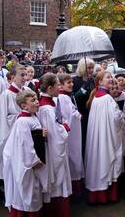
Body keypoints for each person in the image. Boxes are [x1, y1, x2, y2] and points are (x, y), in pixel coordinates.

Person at [3, 90, 47, 217]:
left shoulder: (32, 117)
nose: (37, 102)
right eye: (33, 100)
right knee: (29, 192)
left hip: (34, 162)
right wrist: (33, 161)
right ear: (23, 105)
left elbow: (33, 137)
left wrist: (41, 134)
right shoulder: (22, 121)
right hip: (28, 165)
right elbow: (25, 144)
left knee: (34, 192)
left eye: (36, 98)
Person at [85, 71, 124, 204]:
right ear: (100, 82)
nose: (111, 79)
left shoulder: (96, 96)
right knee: (106, 161)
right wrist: (121, 114)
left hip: (98, 137)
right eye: (108, 77)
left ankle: (96, 196)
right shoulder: (107, 98)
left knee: (98, 161)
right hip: (106, 137)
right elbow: (116, 118)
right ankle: (107, 195)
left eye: (111, 77)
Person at [37, 73, 71, 217]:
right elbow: (55, 133)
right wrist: (64, 126)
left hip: (53, 147)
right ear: (50, 88)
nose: (60, 87)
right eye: (58, 84)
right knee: (57, 178)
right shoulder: (46, 108)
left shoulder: (51, 102)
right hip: (51, 150)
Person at [0, 65, 28, 179]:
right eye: (22, 75)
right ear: (13, 77)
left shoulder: (27, 91)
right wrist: (20, 116)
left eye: (26, 75)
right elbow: (2, 118)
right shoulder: (6, 94)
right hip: (11, 134)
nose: (25, 78)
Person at [57, 73, 84, 198]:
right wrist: (76, 114)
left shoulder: (67, 96)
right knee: (72, 156)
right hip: (70, 133)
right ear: (61, 85)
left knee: (75, 155)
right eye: (69, 83)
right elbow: (66, 116)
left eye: (72, 82)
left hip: (74, 132)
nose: (72, 84)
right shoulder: (62, 98)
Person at [73, 58, 95, 155]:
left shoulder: (93, 80)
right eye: (88, 68)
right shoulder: (75, 80)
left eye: (92, 68)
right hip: (82, 115)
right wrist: (84, 88)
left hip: (93, 113)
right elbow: (74, 99)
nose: (91, 70)